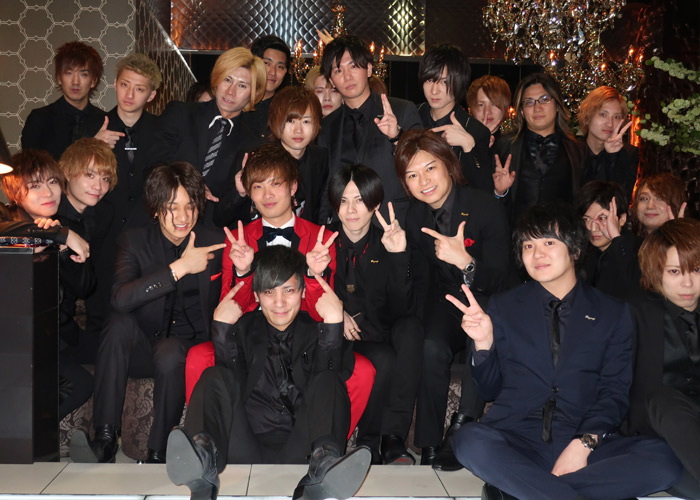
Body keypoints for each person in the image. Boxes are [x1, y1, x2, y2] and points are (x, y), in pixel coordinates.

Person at [451, 202, 682, 500]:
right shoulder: (504, 306)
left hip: (584, 439)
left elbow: (614, 391)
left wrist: (583, 444)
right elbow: (489, 389)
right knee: (469, 441)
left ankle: (523, 489)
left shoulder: (612, 312)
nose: (537, 254)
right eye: (528, 246)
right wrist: (484, 344)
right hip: (517, 438)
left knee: (664, 459)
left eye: (549, 243)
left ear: (575, 249)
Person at [166, 245, 371, 500]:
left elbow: (329, 384)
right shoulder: (244, 329)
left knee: (329, 379)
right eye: (269, 292)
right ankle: (202, 462)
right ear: (256, 296)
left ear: (302, 292)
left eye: (289, 290)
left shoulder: (315, 331)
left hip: (302, 451)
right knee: (214, 376)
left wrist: (332, 325)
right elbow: (228, 384)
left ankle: (325, 466)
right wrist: (222, 329)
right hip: (243, 444)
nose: (279, 302)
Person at [69, 162, 226, 464]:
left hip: (189, 348)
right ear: (155, 209)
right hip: (144, 347)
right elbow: (119, 298)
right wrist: (178, 269)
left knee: (169, 351)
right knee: (118, 324)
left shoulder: (215, 241)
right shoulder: (135, 241)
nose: (183, 217)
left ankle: (159, 451)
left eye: (190, 206)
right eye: (172, 207)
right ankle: (104, 439)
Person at [394, 129, 511, 471]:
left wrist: (466, 262)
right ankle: (429, 442)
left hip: (491, 301)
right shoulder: (415, 216)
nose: (424, 181)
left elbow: (501, 279)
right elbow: (424, 280)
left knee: (479, 326)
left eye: (430, 168)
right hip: (448, 300)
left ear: (448, 163)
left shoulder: (484, 206)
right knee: (430, 344)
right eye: (412, 175)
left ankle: (464, 423)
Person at [327, 164, 422, 464]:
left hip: (377, 333)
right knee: (383, 358)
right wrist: (336, 312)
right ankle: (369, 442)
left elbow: (403, 309)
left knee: (410, 330)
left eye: (360, 200)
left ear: (375, 203)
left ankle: (390, 438)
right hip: (333, 336)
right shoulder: (322, 243)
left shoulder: (388, 241)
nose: (351, 210)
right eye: (343, 200)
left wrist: (398, 256)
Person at [145, 47, 265, 227]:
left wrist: (239, 193)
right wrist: (189, 186)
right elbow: (151, 167)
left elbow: (229, 215)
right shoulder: (180, 114)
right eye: (227, 80)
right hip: (160, 222)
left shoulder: (252, 144)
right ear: (217, 79)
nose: (231, 91)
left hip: (209, 232)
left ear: (254, 93)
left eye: (242, 85)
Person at [89, 53, 162, 338]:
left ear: (151, 95)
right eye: (124, 85)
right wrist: (93, 146)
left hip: (146, 235)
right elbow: (70, 177)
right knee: (99, 313)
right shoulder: (93, 125)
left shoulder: (162, 130)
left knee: (143, 312)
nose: (129, 95)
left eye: (139, 88)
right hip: (101, 233)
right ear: (115, 84)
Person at [627, 218, 700, 499]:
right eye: (674, 271)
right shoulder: (634, 314)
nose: (688, 283)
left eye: (697, 270)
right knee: (662, 398)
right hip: (659, 438)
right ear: (656, 272)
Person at [317, 35, 422, 224]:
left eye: (353, 66)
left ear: (369, 69)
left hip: (395, 223)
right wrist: (323, 226)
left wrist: (397, 137)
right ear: (331, 81)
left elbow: (422, 163)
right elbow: (325, 185)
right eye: (338, 70)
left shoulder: (402, 110)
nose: (347, 77)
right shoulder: (327, 126)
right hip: (345, 228)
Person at [56, 138, 117, 419]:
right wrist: (62, 234)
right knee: (81, 384)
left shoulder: (98, 215)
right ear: (67, 173)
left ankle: (103, 434)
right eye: (90, 175)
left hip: (66, 330)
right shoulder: (50, 212)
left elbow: (86, 283)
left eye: (105, 178)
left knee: (117, 350)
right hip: (43, 333)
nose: (98, 186)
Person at [492, 72, 586, 223]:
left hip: (562, 235)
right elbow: (486, 202)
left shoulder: (578, 151)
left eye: (544, 99)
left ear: (557, 105)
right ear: (521, 111)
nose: (537, 108)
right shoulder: (504, 146)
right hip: (516, 234)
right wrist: (499, 192)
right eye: (529, 102)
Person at [417, 44, 492, 192]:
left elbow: (484, 190)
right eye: (429, 80)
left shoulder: (475, 130)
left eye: (444, 82)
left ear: (459, 82)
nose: (434, 91)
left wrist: (469, 147)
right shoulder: (412, 114)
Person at [21, 41, 105, 160]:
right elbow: (31, 167)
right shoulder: (39, 119)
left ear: (93, 81)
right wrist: (93, 147)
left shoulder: (104, 122)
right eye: (69, 73)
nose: (75, 82)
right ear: (59, 78)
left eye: (83, 74)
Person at [0, 149, 89, 260]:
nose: (48, 193)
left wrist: (63, 252)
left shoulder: (71, 227)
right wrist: (55, 233)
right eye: (35, 186)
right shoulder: (3, 214)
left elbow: (82, 270)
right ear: (15, 193)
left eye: (53, 182)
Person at [268, 86, 328, 224]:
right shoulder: (263, 159)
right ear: (276, 121)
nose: (298, 130)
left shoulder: (321, 157)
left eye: (306, 121)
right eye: (291, 121)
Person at [574, 180, 641, 299]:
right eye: (586, 219)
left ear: (622, 219)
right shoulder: (582, 251)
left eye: (602, 218)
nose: (592, 228)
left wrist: (616, 238)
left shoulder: (641, 251)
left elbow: (635, 290)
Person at [578, 86, 638, 201]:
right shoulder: (571, 150)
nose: (610, 124)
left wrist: (612, 157)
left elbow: (622, 199)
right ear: (588, 116)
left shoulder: (629, 154)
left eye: (616, 117)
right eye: (603, 114)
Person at [246, 35, 292, 140]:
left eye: (280, 67)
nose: (273, 72)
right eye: (267, 63)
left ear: (285, 71)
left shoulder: (287, 110)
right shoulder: (236, 102)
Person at [630, 172, 687, 237]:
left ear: (675, 204)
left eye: (660, 198)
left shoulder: (689, 240)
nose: (650, 206)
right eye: (644, 198)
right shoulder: (628, 240)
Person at [466, 75, 511, 147]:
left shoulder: (514, 146)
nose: (487, 112)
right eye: (481, 105)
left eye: (494, 104)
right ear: (471, 109)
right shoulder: (461, 142)